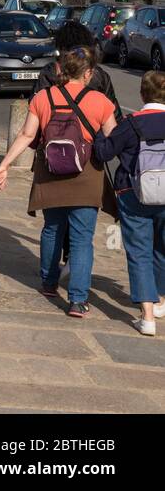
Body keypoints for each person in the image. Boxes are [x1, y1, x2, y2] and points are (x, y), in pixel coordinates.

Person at [0, 48, 119, 318]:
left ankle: (49, 283)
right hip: (86, 176)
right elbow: (113, 141)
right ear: (88, 73)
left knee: (52, 229)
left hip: (50, 172)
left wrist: (4, 164)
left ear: (61, 70)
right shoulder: (100, 101)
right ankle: (77, 300)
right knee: (82, 239)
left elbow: (27, 135)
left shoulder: (43, 97)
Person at [94, 70, 165, 335]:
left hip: (133, 193)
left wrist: (101, 133)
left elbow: (104, 152)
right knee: (162, 248)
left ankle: (147, 317)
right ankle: (160, 301)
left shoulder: (132, 123)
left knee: (139, 252)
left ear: (142, 94)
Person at [34, 22, 122, 117]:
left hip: (54, 129)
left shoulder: (51, 71)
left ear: (62, 48)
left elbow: (36, 108)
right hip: (93, 129)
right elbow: (114, 114)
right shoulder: (99, 74)